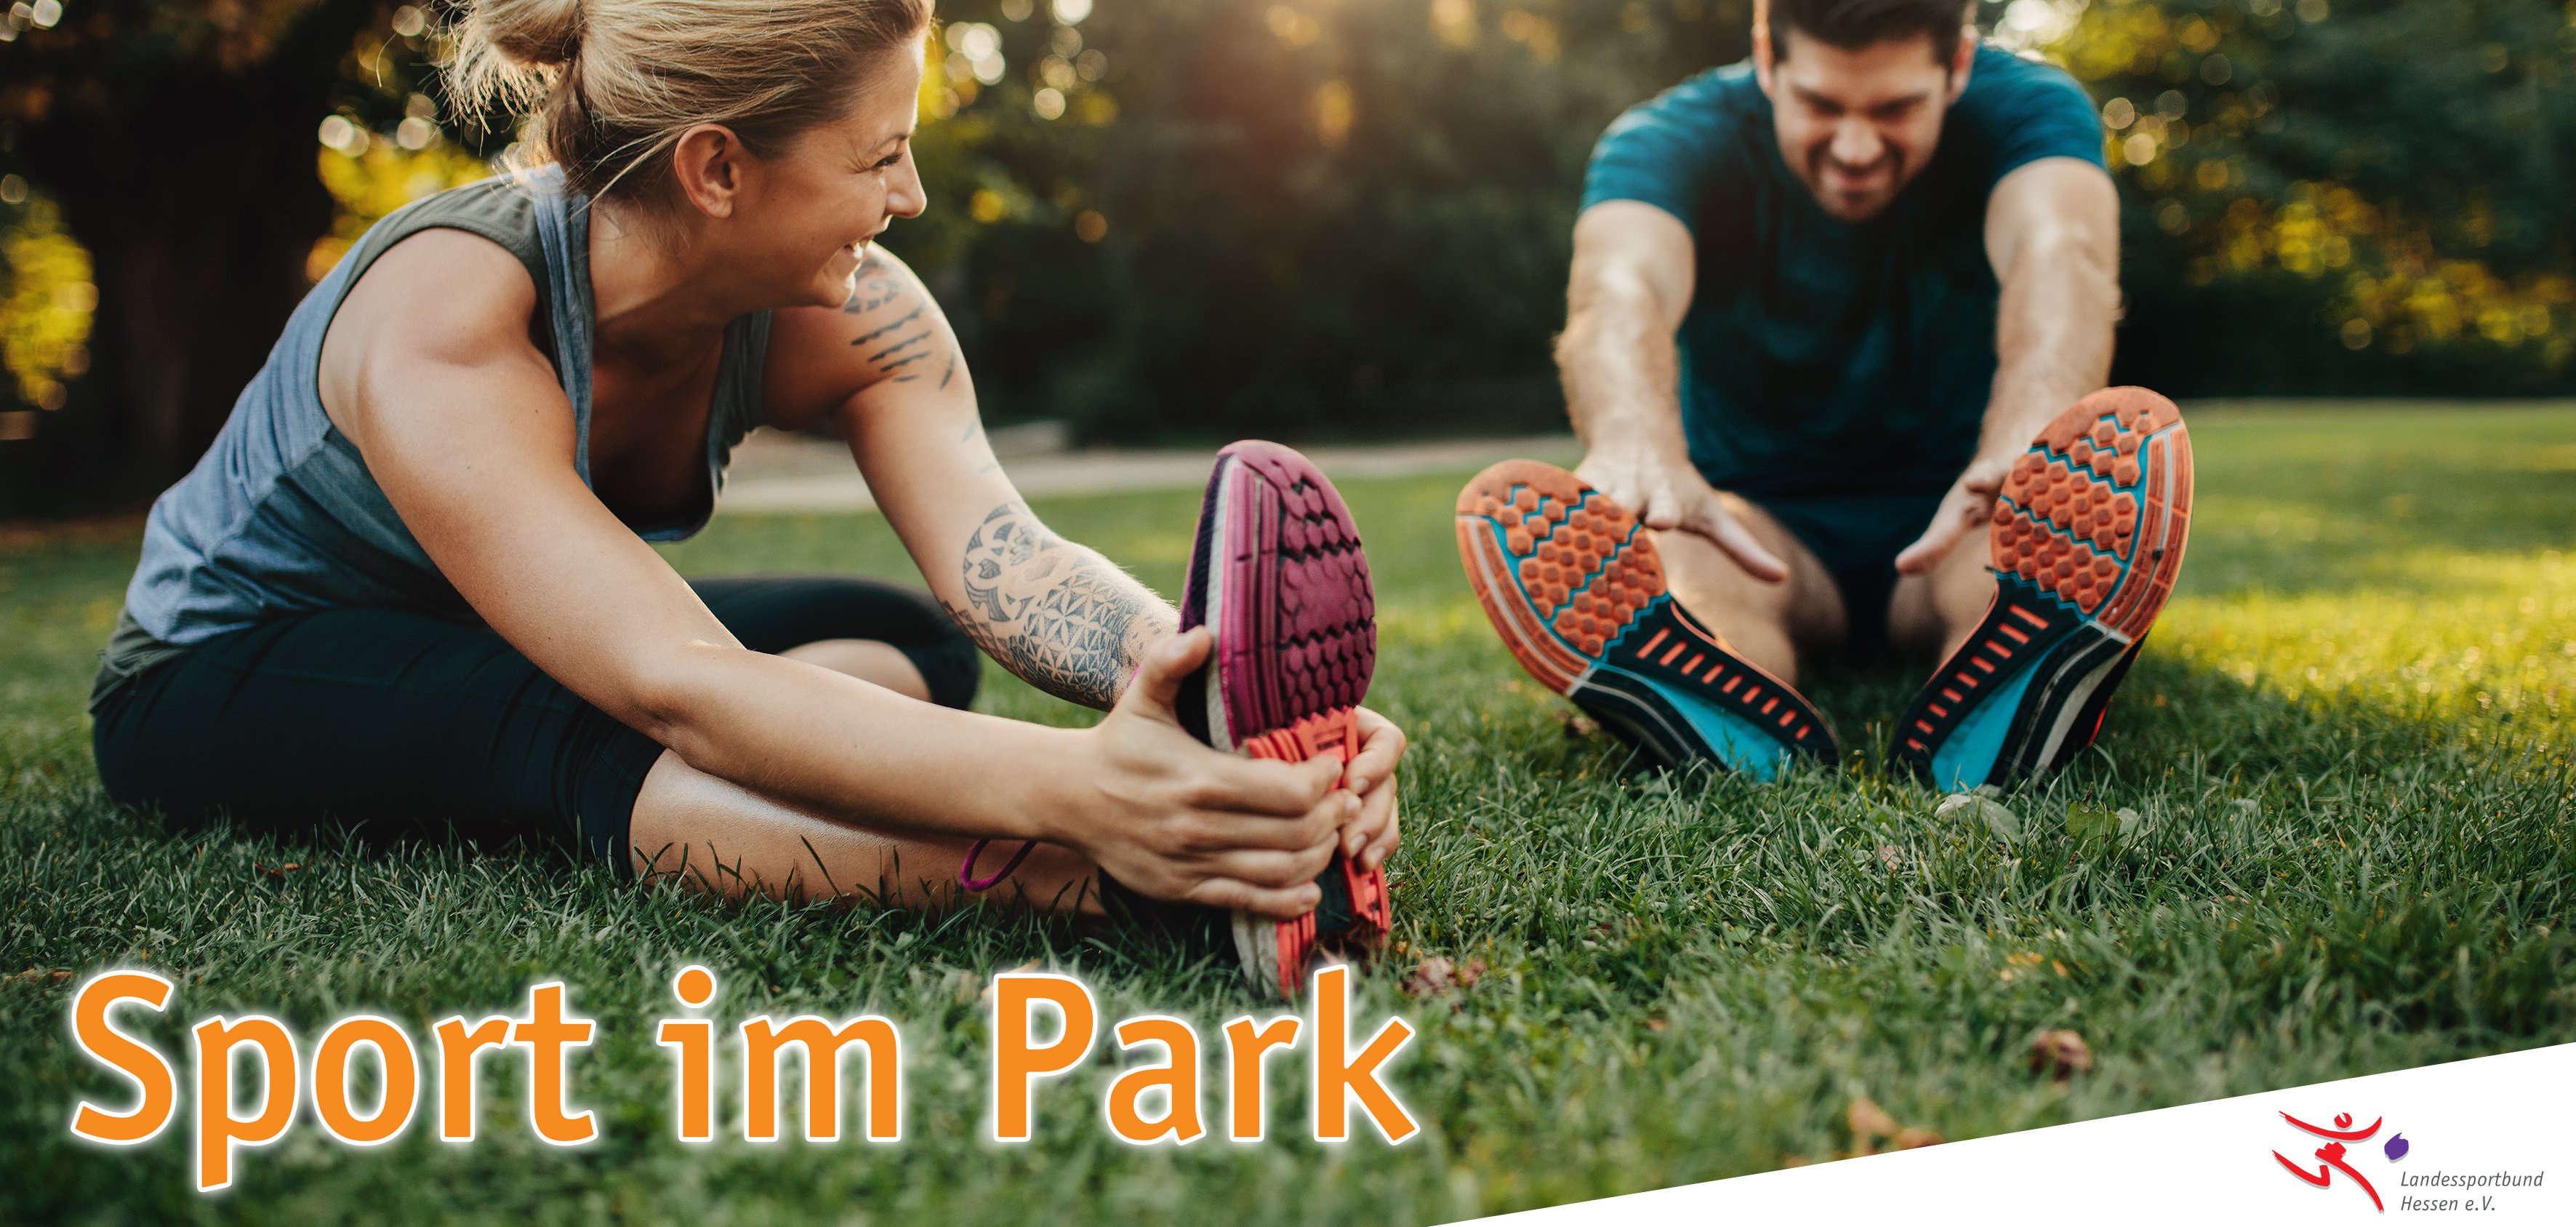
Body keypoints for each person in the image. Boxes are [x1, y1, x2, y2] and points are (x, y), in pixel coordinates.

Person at [84, 0, 1403, 992]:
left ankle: (741, 795)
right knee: (606, 724)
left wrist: (1216, 703)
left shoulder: (850, 308)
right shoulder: (452, 308)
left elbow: (1000, 553)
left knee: (914, 647)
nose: (912, 194)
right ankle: (1110, 890)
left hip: (492, 635)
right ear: (717, 169)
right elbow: (674, 678)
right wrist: (1090, 795)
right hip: (230, 665)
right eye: (878, 155)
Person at [1456, 0, 2193, 788]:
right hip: (1759, 527)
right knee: (1689, 571)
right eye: (1820, 104)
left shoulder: (2030, 109)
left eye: (1896, 108)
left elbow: (2061, 249)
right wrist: (1635, 439)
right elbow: (1619, 282)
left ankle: (2010, 707)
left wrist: (2025, 439)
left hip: (1961, 511)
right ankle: (1719, 706)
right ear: (1768, 57)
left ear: (1958, 67)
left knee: (2014, 568)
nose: (1854, 146)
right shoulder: (1667, 139)